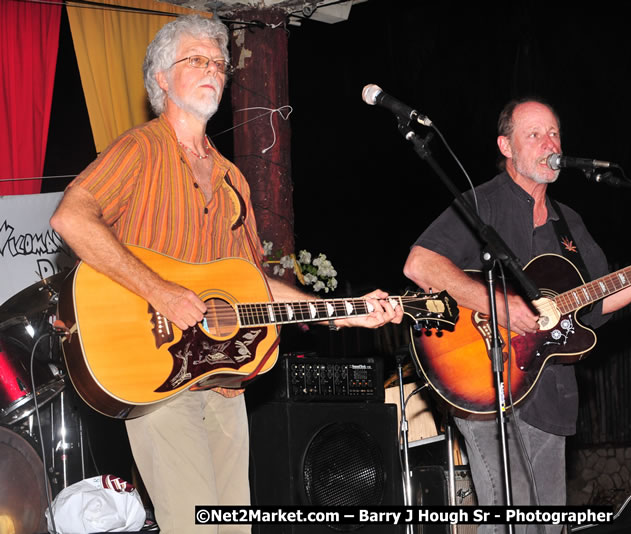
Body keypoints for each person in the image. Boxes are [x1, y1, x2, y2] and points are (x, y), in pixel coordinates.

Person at [49, 15, 402, 533]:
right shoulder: (140, 149)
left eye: (217, 62)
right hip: (154, 371)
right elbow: (70, 217)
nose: (213, 69)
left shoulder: (232, 177)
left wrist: (345, 316)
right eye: (196, 60)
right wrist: (160, 291)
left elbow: (254, 285)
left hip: (224, 381)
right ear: (162, 79)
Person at [403, 97, 631, 534]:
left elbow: (597, 300)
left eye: (554, 133)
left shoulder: (568, 222)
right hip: (484, 381)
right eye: (534, 134)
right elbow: (419, 265)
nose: (549, 143)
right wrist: (498, 305)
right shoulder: (482, 202)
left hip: (550, 393)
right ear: (506, 146)